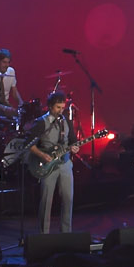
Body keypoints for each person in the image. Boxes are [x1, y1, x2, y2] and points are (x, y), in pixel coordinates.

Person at [26, 91, 77, 233]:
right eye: (57, 107)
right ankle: (44, 234)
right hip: (48, 165)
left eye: (62, 108)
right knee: (46, 200)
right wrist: (42, 155)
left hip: (65, 164)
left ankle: (66, 233)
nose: (60, 111)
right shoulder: (41, 122)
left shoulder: (67, 121)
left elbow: (73, 140)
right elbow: (28, 144)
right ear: (50, 106)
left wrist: (75, 147)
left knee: (68, 199)